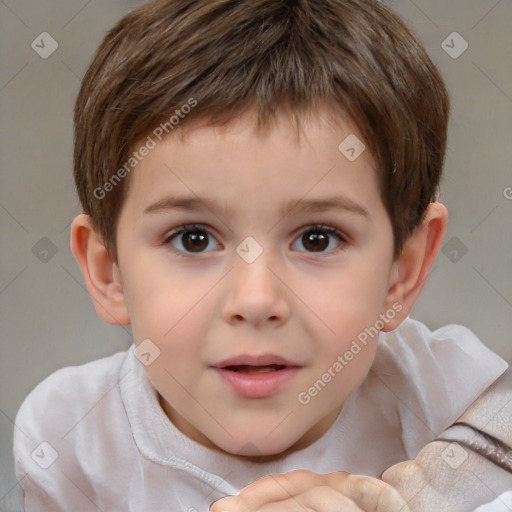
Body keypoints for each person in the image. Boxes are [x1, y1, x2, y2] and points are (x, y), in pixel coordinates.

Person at [13, 0, 512, 510]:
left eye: (317, 238)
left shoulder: (459, 400)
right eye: (194, 239)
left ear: (401, 272)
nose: (255, 300)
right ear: (108, 272)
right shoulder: (71, 439)